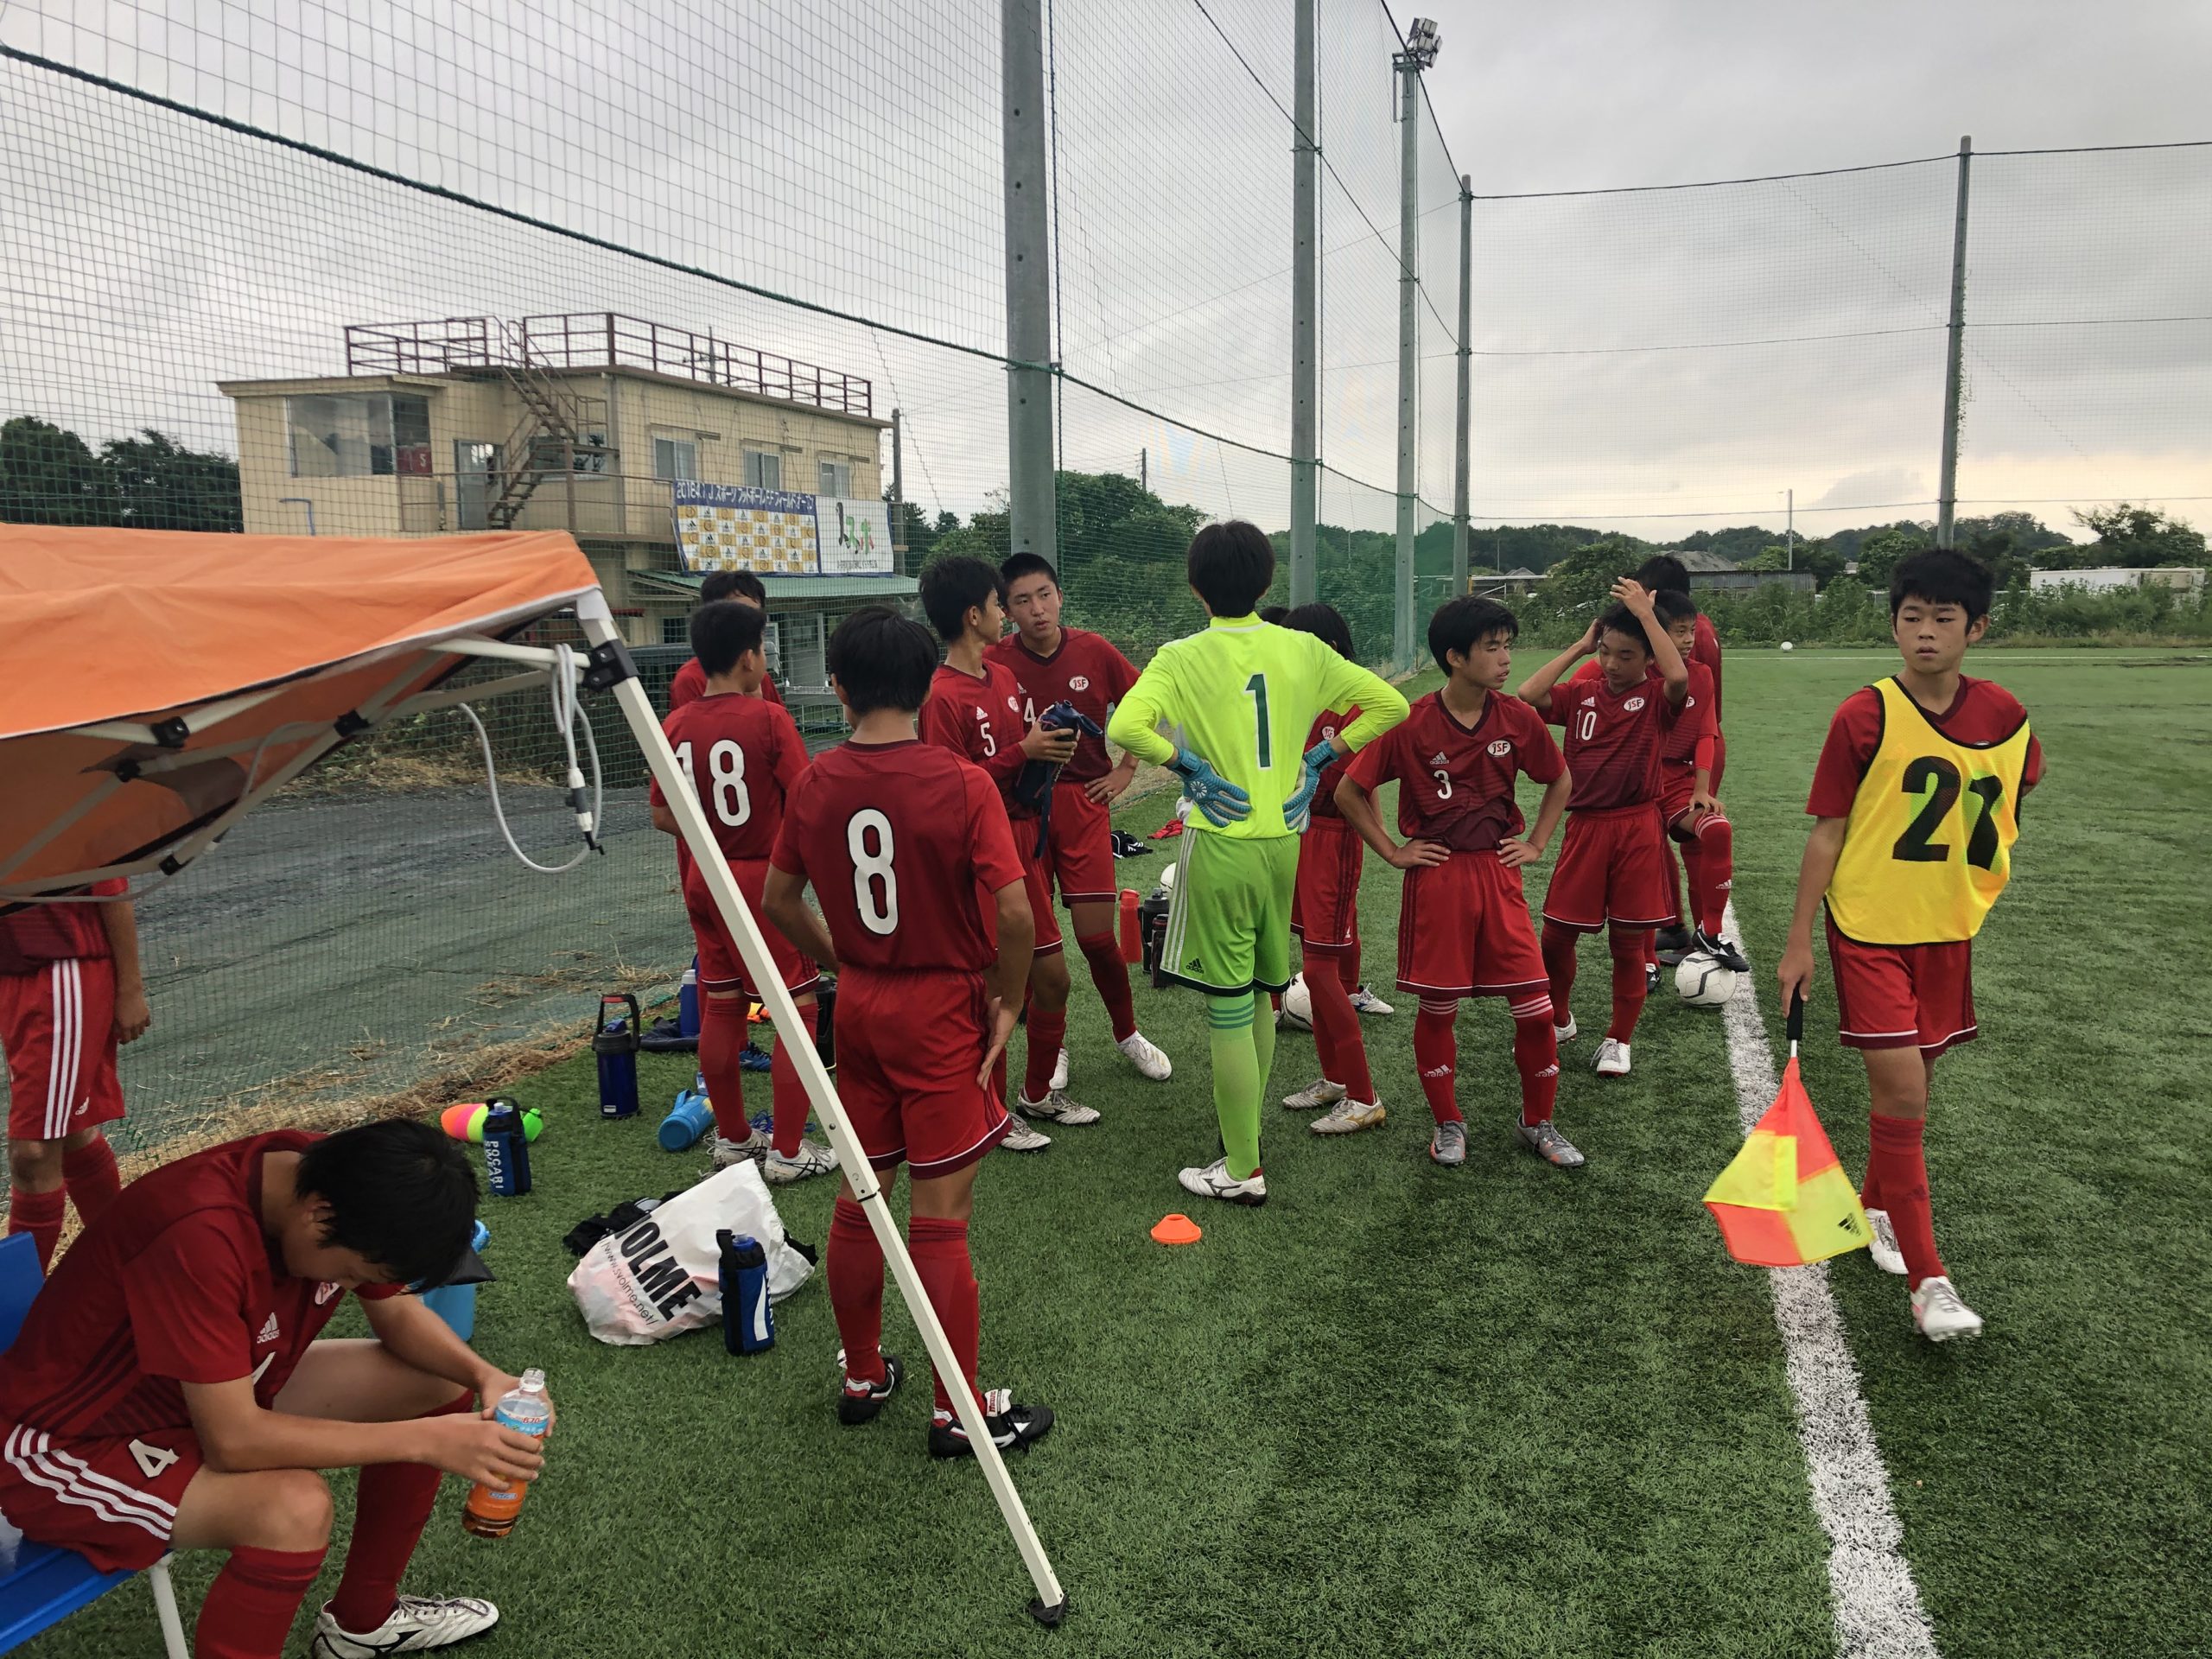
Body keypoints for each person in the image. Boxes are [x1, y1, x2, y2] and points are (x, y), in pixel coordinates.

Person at [0, 1120, 543, 1659]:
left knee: (435, 1381)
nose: (354, 1288)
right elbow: (234, 1443)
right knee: (292, 1510)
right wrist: (425, 1441)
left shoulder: (333, 1179)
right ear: (317, 1215)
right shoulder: (198, 1232)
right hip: (65, 1445)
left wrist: (486, 1377)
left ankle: (362, 1623)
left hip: (203, 1392)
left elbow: (396, 1313)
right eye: (352, 1273)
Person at [762, 607, 1055, 1457]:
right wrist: (1007, 1001)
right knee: (941, 1213)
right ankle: (956, 1411)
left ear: (840, 689)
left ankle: (862, 1374)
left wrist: (843, 961)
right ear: (928, 682)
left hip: (862, 1006)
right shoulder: (961, 781)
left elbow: (780, 901)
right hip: (939, 1010)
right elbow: (1011, 911)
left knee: (862, 1192)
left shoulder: (818, 782)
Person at [1777, 550, 2039, 1343]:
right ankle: (1933, 1284)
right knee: (1905, 1096)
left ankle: (1874, 1207)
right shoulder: (1864, 714)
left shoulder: (2006, 714)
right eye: (1912, 618)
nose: (1925, 633)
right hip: (1867, 926)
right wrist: (1798, 944)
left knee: (1913, 1086)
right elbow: (1828, 832)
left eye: (1944, 619)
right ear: (1893, 623)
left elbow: (2016, 787)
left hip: (1949, 928)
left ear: (1978, 627)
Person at [1105, 521, 1408, 1205]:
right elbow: (1390, 703)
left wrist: (1187, 767)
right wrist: (1319, 759)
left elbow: (1123, 727)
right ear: (1268, 583)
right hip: (1283, 845)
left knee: (1227, 1009)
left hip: (1221, 843)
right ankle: (1243, 1144)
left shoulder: (1183, 654)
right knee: (1264, 996)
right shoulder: (1300, 646)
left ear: (1195, 588)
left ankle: (1242, 1167)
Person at [1336, 597, 1581, 1167]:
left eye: (1506, 645)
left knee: (1536, 1008)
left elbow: (1559, 778)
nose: (1504, 658)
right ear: (1455, 657)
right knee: (1439, 1007)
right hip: (1439, 878)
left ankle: (1538, 1122)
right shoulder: (1412, 722)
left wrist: (1538, 842)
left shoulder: (1517, 717)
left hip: (1498, 876)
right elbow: (1350, 790)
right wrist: (1393, 850)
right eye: (1492, 647)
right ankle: (1449, 1123)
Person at [649, 600, 836, 1183]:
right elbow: (807, 803)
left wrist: (711, 838)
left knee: (722, 1005)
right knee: (799, 1009)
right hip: (760, 879)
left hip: (703, 877)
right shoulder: (768, 719)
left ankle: (733, 1141)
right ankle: (786, 1151)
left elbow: (660, 815)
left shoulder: (674, 723)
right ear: (752, 655)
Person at [916, 557, 1088, 1143]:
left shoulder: (1005, 680)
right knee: (998, 987)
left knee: (1053, 981)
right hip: (981, 857)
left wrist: (1048, 754)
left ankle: (1036, 1095)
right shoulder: (941, 697)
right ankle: (991, 1115)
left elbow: (1016, 762)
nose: (1007, 614)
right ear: (975, 616)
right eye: (998, 604)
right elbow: (947, 796)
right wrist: (1024, 754)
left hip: (1023, 846)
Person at [988, 553, 1173, 1086]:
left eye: (1044, 595)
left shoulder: (1093, 650)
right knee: (1035, 948)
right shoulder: (997, 661)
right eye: (1022, 601)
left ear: (1060, 596)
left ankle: (1128, 1033)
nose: (1037, 609)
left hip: (1085, 806)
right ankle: (1056, 1047)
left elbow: (1147, 704)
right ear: (1007, 610)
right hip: (1021, 813)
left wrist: (1127, 768)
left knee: (1097, 940)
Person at [1517, 579, 1689, 1077]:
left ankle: (1618, 1039)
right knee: (1555, 936)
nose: (1613, 664)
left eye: (1627, 655)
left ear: (1647, 659)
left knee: (1629, 944)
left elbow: (1677, 676)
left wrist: (1648, 617)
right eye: (1607, 653)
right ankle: (1561, 1018)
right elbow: (1531, 693)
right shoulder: (1584, 694)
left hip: (1636, 830)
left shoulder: (1659, 695)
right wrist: (1579, 647)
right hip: (1585, 829)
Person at [1272, 603, 1386, 1136]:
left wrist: (1386, 846)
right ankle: (1335, 1081)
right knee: (1313, 969)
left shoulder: (1361, 706)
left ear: (1325, 649)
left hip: (1335, 842)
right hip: (1300, 837)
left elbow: (1356, 788)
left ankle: (1364, 1096)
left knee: (1321, 972)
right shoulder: (1303, 699)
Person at [3, 880, 149, 1273]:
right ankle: (128, 1261)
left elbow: (112, 884)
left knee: (32, 1153)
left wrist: (130, 987)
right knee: (70, 1130)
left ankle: (14, 1307)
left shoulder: (48, 819)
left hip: (61, 973)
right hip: (15, 974)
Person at [1633, 555, 1723, 966]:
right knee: (1662, 838)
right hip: (1688, 743)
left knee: (1691, 842)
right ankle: (1674, 926)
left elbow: (1695, 708)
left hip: (1689, 746)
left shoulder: (1681, 637)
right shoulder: (1700, 625)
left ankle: (1698, 932)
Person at [667, 570, 787, 712]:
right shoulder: (690, 679)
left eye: (755, 614)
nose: (750, 622)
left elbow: (783, 727)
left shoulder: (758, 674)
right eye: (739, 613)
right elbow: (693, 731)